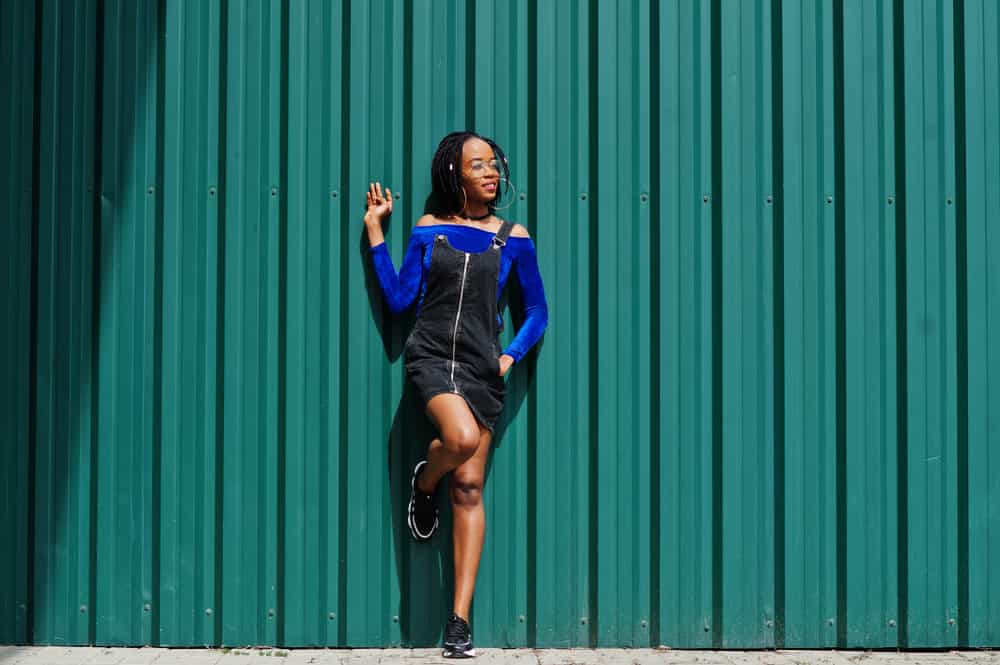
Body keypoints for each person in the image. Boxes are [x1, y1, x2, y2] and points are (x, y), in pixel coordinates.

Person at [363, 131, 548, 658]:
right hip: (430, 362)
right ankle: (425, 481)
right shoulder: (429, 230)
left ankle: (459, 623)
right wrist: (377, 233)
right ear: (454, 175)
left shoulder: (513, 236)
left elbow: (537, 310)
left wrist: (508, 356)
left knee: (469, 490)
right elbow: (400, 299)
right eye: (477, 166)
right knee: (460, 439)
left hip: (482, 367)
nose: (490, 173)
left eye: (494, 164)